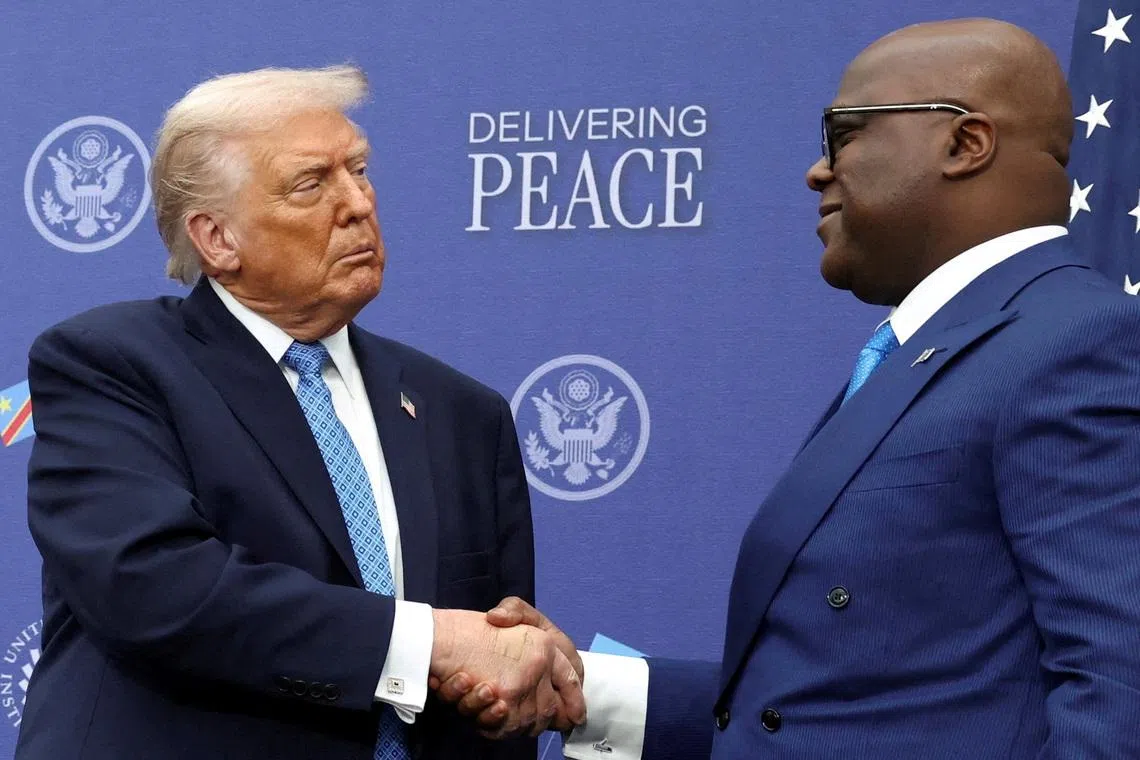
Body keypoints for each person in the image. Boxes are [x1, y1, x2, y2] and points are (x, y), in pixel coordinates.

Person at [442, 18, 1140, 759]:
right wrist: (586, 687)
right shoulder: (932, 351)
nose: (817, 170)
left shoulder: (1081, 344)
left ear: (964, 144)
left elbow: (1120, 693)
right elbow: (841, 700)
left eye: (843, 132)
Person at [15, 65, 583, 760]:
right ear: (217, 240)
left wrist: (508, 661)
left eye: (361, 170)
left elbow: (492, 669)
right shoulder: (111, 363)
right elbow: (153, 587)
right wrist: (431, 641)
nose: (358, 203)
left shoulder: (463, 413)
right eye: (311, 185)